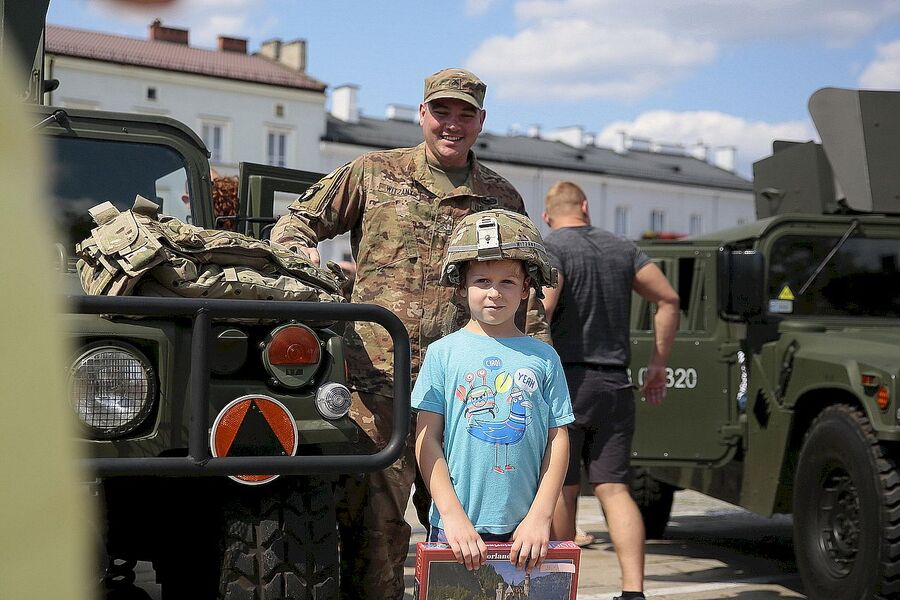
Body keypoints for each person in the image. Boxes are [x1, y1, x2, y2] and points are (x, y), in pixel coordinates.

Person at [270, 68, 548, 599]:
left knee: (472, 535)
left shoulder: (501, 198)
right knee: (373, 533)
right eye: (442, 112)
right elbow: (299, 220)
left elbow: (527, 292)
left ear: (481, 122)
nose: (453, 124)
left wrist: (537, 374)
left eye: (466, 114)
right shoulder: (374, 173)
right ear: (423, 114)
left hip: (472, 396)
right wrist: (297, 252)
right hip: (379, 389)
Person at [541, 181, 680, 600]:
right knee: (614, 488)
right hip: (616, 382)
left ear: (548, 217)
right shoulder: (623, 248)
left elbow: (544, 310)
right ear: (585, 207)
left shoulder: (552, 246)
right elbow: (669, 299)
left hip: (567, 382)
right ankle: (633, 591)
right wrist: (657, 366)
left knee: (563, 488)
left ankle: (563, 587)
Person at [413, 209, 573, 572]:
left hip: (525, 536)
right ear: (460, 287)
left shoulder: (545, 358)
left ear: (526, 289)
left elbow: (558, 439)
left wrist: (540, 517)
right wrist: (452, 516)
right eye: (482, 281)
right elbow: (426, 439)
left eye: (507, 282)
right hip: (456, 533)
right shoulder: (442, 354)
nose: (494, 293)